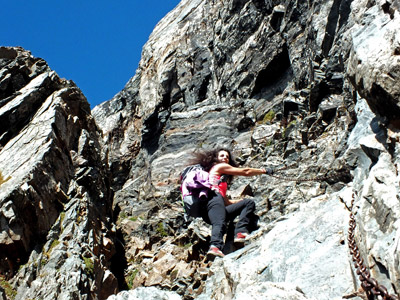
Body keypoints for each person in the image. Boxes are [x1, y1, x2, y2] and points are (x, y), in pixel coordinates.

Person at [187, 147, 273, 260]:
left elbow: (225, 202)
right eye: (222, 156)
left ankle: (241, 232)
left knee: (248, 203)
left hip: (208, 210)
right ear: (216, 158)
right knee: (219, 223)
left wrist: (240, 201)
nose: (225, 158)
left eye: (227, 157)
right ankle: (215, 246)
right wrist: (263, 171)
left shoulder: (217, 180)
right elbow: (245, 171)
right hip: (213, 200)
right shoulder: (219, 167)